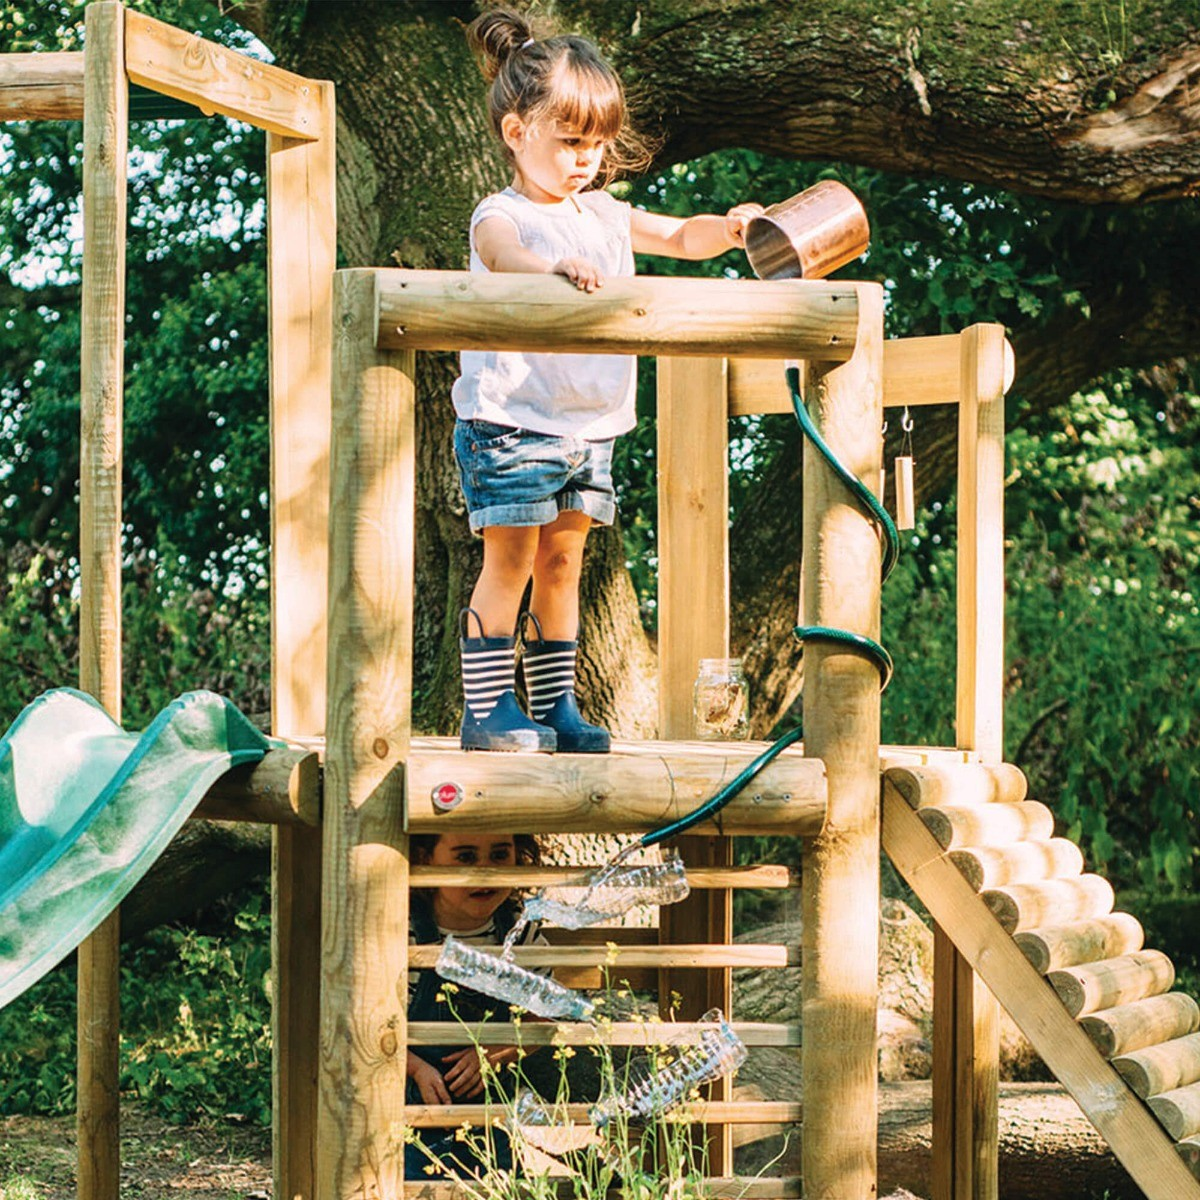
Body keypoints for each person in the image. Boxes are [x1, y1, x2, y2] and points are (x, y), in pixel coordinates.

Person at [454, 7, 762, 754]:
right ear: (516, 133)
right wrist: (551, 266)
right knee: (513, 559)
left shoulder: (604, 213)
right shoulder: (505, 214)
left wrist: (728, 227)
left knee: (564, 565)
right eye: (571, 142)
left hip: (588, 428)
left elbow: (680, 237)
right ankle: (487, 709)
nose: (587, 158)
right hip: (513, 421)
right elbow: (498, 254)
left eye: (597, 144)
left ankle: (554, 704)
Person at [405, 830, 547, 1179]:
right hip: (408, 1111)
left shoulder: (520, 933)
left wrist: (498, 1050)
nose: (485, 872)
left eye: (500, 855)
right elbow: (370, 1023)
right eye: (465, 857)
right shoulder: (403, 931)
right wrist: (415, 1069)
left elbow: (542, 1015)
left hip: (489, 1115)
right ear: (425, 859)